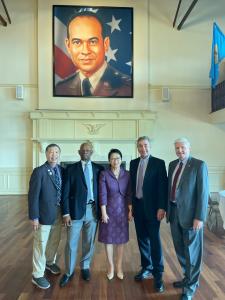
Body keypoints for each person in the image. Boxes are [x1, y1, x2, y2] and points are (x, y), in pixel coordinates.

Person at [167, 138, 209, 300]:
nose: (180, 151)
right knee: (180, 249)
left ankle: (191, 286)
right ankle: (188, 278)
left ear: (189, 148)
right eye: (177, 148)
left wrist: (199, 217)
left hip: (192, 216)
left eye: (183, 148)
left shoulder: (199, 165)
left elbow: (203, 193)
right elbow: (169, 188)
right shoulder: (172, 165)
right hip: (174, 213)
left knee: (192, 252)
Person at [55, 11, 132, 97]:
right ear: (68, 46)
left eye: (92, 42)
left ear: (106, 44)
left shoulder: (128, 88)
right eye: (77, 42)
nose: (85, 51)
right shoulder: (61, 88)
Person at [59, 141, 104, 287]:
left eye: (88, 150)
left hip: (93, 210)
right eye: (83, 150)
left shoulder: (99, 169)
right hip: (74, 212)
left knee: (88, 242)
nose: (86, 152)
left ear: (92, 152)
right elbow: (64, 193)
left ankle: (85, 267)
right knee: (71, 243)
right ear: (79, 152)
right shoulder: (71, 169)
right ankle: (69, 272)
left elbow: (102, 192)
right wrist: (65, 213)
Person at [129, 136, 167, 293]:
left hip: (152, 208)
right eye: (140, 146)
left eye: (145, 145)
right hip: (138, 206)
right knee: (142, 239)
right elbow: (131, 186)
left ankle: (158, 274)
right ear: (137, 148)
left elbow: (163, 187)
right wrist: (130, 207)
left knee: (154, 240)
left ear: (150, 146)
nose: (143, 148)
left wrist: (161, 207)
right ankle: (146, 267)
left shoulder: (158, 163)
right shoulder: (133, 163)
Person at [28, 143, 64, 289]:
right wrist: (34, 217)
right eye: (51, 152)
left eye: (56, 152)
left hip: (58, 213)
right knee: (40, 243)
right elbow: (33, 196)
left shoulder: (61, 170)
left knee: (54, 240)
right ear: (46, 154)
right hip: (43, 214)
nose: (53, 155)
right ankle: (37, 275)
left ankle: (50, 262)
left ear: (59, 154)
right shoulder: (39, 171)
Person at [98, 149, 132, 280]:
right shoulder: (104, 174)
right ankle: (111, 267)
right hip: (108, 211)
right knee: (109, 240)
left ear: (121, 159)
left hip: (122, 210)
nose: (115, 161)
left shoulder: (127, 174)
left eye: (117, 158)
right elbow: (102, 194)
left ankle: (119, 267)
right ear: (109, 161)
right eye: (112, 158)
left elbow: (129, 194)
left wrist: (130, 210)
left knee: (121, 240)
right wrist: (103, 213)